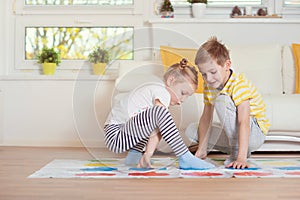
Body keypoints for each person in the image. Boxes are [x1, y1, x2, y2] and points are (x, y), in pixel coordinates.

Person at [104, 58, 214, 169]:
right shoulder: (161, 91)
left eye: (186, 96)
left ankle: (134, 157)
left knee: (158, 120)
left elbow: (158, 129)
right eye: (182, 93)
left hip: (121, 134)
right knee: (160, 115)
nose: (182, 100)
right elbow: (159, 117)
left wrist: (147, 154)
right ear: (171, 80)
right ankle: (185, 156)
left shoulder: (157, 94)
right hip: (116, 135)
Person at [185, 37, 270, 169]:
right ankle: (234, 148)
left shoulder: (239, 85)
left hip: (254, 133)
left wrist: (240, 158)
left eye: (213, 72)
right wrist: (202, 149)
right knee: (191, 130)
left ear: (227, 65)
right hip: (235, 135)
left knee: (222, 99)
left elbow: (244, 122)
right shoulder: (210, 85)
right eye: (204, 74)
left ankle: (239, 152)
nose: (209, 78)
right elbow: (206, 117)